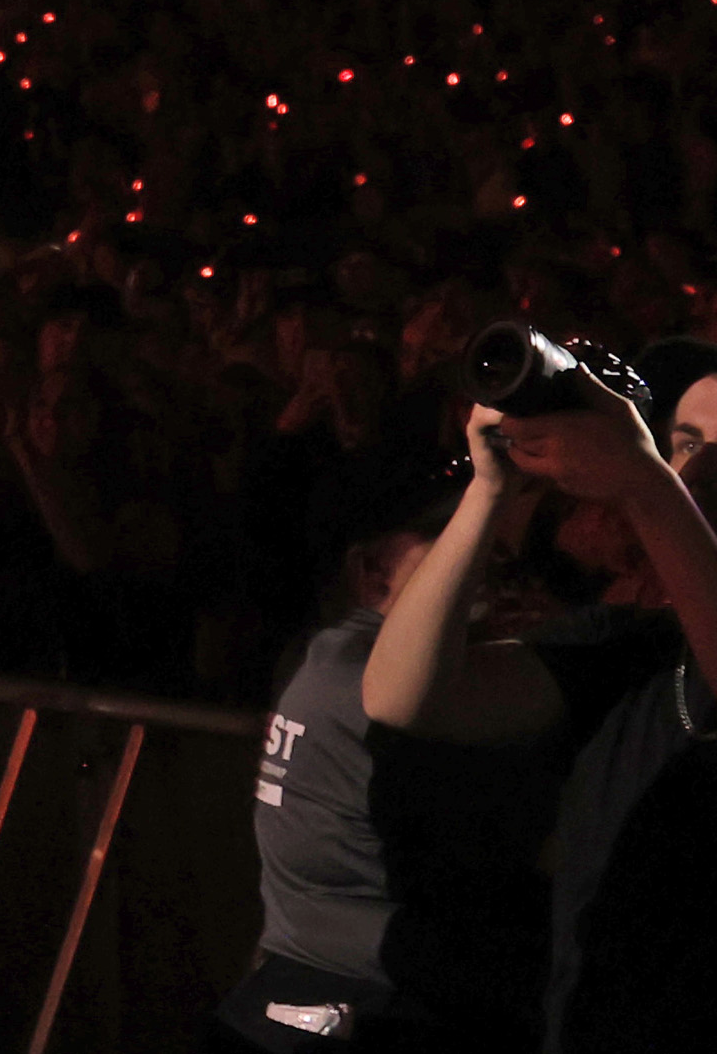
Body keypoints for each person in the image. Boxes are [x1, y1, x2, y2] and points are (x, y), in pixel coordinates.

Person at [371, 336, 717, 1054]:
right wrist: (490, 491)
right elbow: (405, 695)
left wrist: (647, 485)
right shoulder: (632, 647)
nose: (698, 468)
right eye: (683, 441)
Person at [225, 440, 565, 1054]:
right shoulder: (372, 687)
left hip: (308, 991)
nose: (482, 560)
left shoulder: (318, 656)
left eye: (492, 548)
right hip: (381, 1009)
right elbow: (530, 848)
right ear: (372, 571)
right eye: (452, 544)